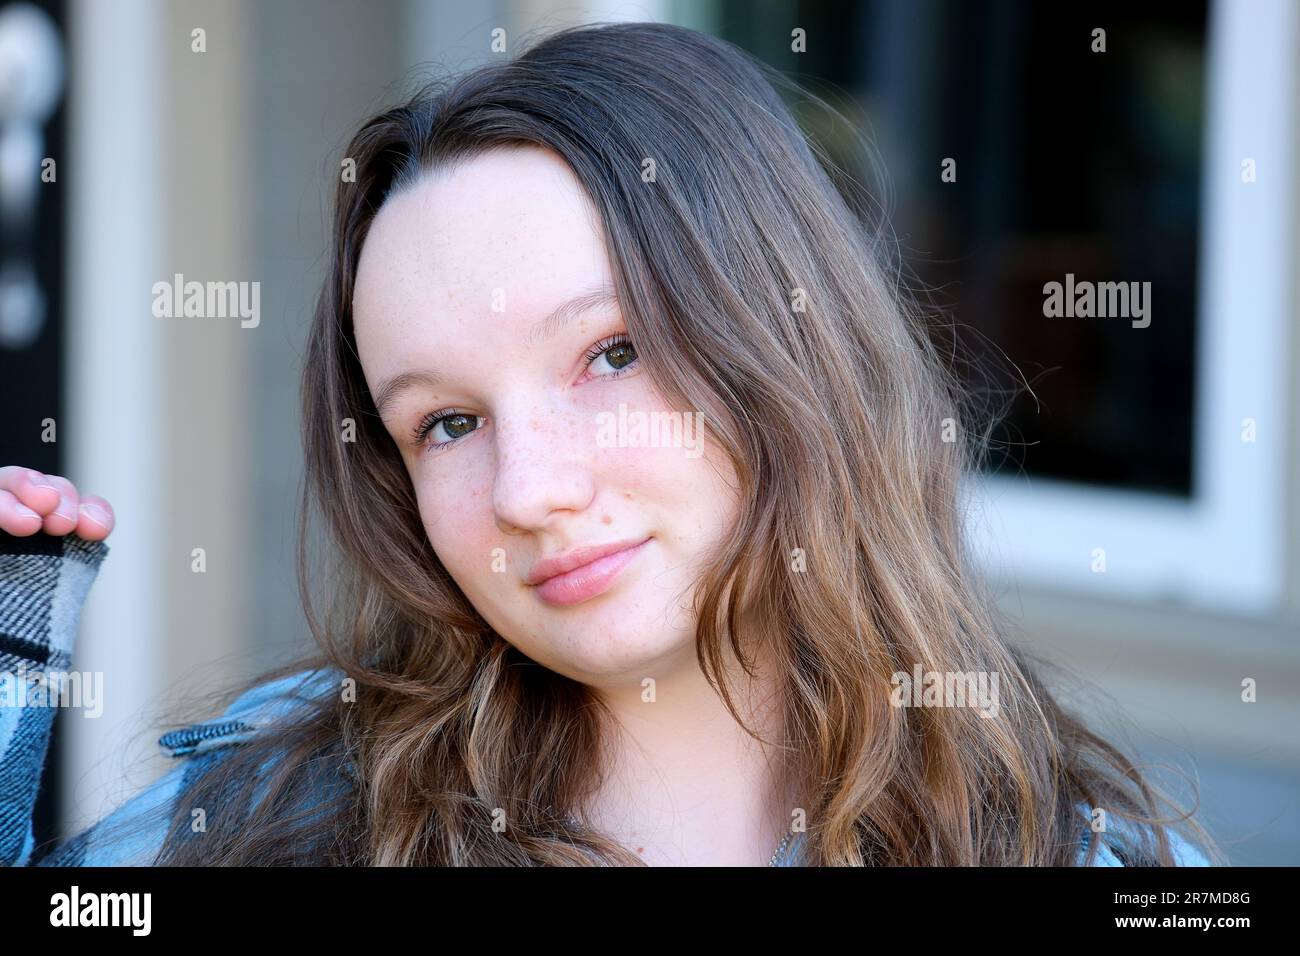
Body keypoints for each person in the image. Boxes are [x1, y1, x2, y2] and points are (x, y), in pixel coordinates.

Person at [0, 20, 1215, 867]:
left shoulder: (1077, 849)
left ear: (786, 333)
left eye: (609, 353)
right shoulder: (280, 818)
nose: (528, 490)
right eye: (448, 423)